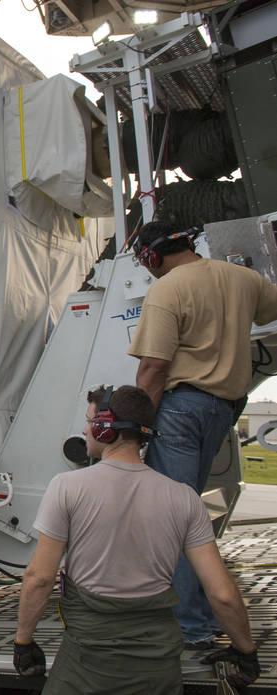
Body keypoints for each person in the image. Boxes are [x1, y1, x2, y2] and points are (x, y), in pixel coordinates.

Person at [13, 385, 259, 693]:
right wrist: (245, 649)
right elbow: (221, 593)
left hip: (85, 666)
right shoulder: (184, 498)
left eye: (90, 420)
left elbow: (39, 578)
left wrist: (23, 641)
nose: (84, 429)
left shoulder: (66, 488)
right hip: (157, 668)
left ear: (105, 428)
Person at [128, 219, 277, 646]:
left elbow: (154, 367)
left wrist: (137, 429)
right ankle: (206, 616)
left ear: (152, 257)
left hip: (179, 410)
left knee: (173, 519)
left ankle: (190, 626)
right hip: (222, 408)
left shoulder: (168, 289)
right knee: (191, 515)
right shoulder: (243, 279)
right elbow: (270, 308)